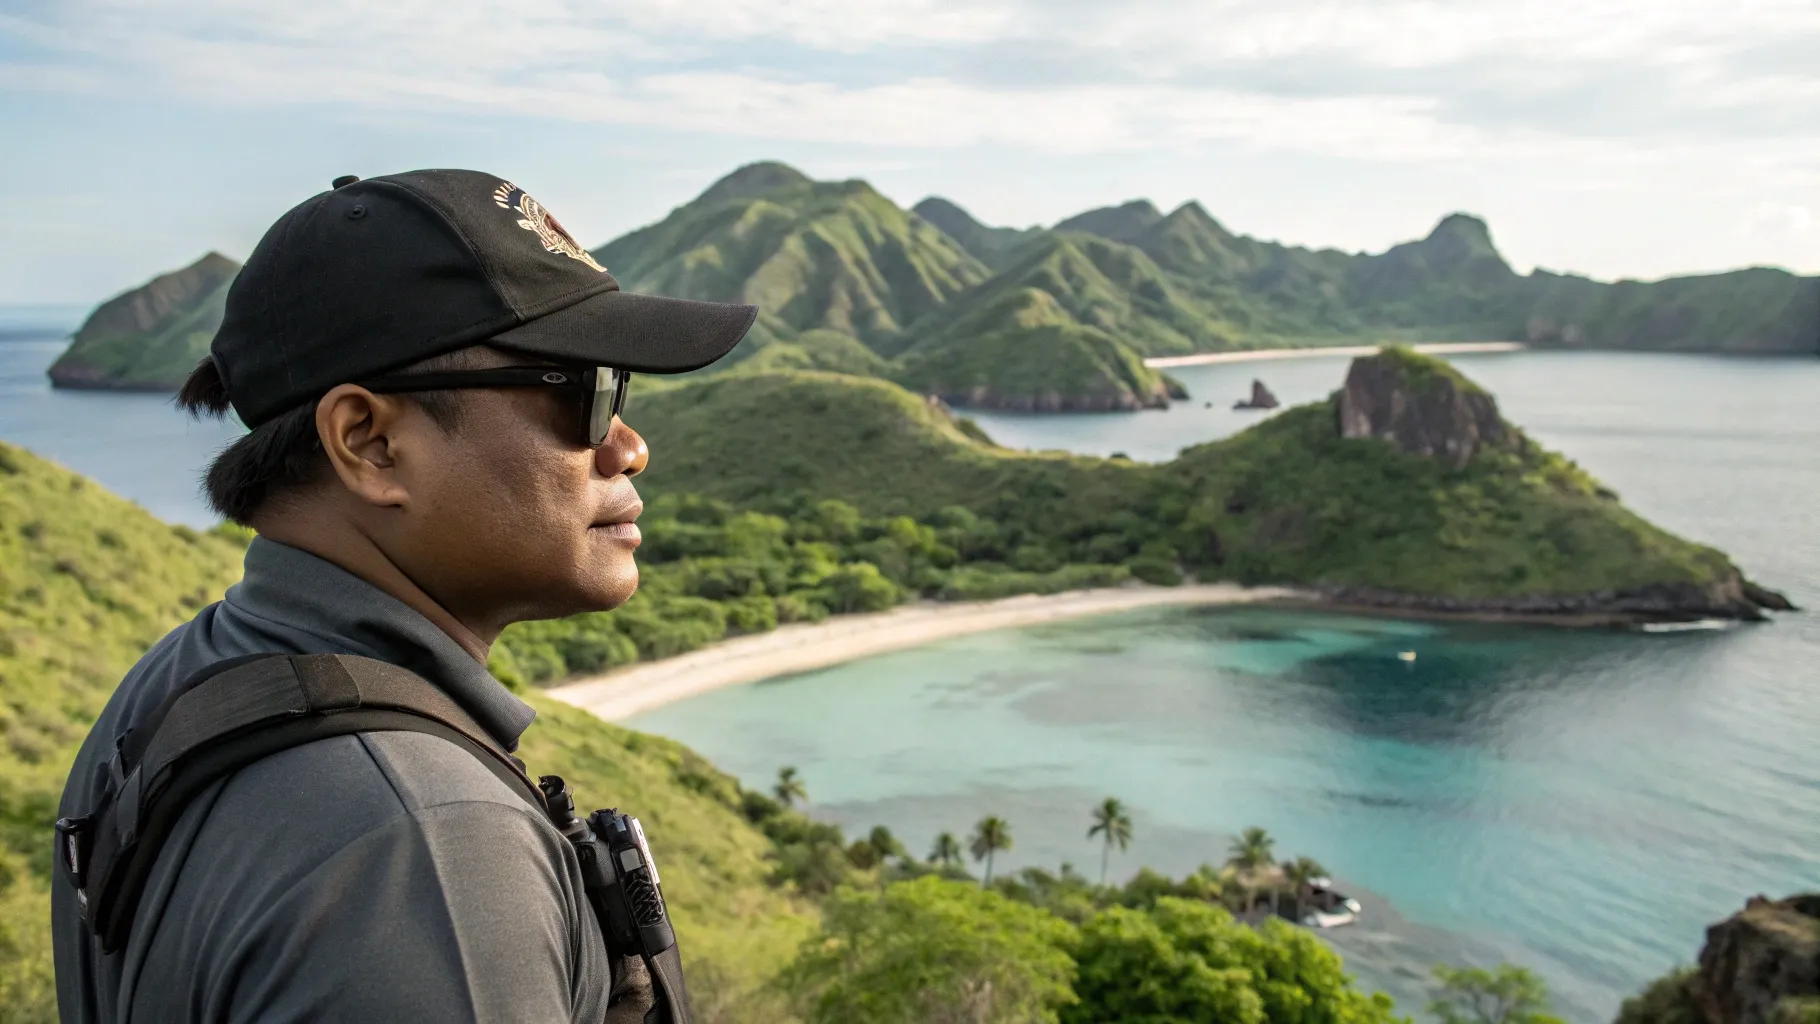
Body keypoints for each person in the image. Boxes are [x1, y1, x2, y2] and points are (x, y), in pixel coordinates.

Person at [51, 170, 756, 1022]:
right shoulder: (431, 846)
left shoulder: (182, 684)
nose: (629, 448)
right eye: (587, 393)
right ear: (369, 443)